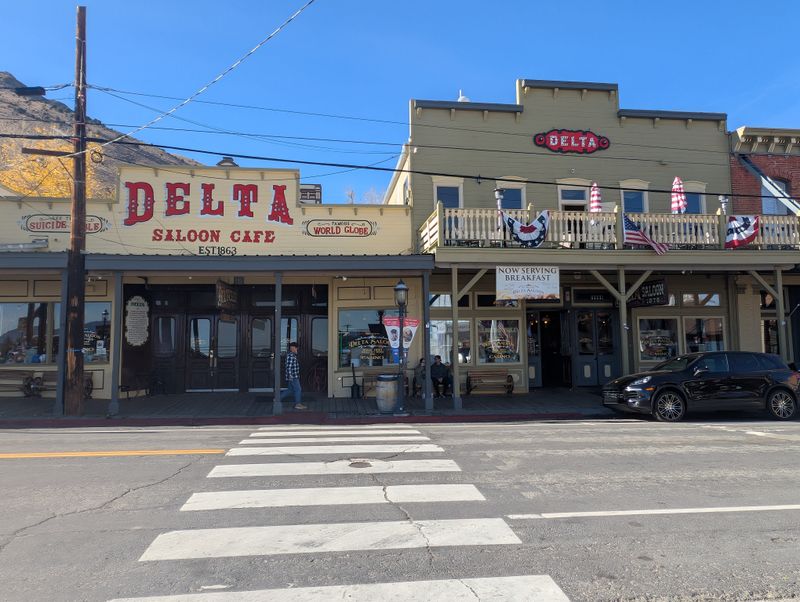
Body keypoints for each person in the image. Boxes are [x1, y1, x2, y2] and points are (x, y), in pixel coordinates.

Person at [280, 342, 306, 410]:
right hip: (293, 376)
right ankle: (298, 404)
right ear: (293, 348)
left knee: (290, 390)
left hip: (293, 376)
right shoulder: (291, 356)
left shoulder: (292, 355)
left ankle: (277, 398)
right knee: (298, 389)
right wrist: (291, 376)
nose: (296, 349)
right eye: (295, 347)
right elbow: (289, 367)